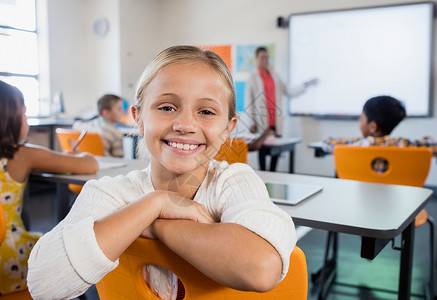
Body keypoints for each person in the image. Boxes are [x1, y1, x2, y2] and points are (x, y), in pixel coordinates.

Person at [27, 45, 297, 299]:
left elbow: (260, 268)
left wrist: (154, 223)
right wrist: (156, 202)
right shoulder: (111, 192)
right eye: (167, 107)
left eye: (206, 111)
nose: (185, 124)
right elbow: (43, 284)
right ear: (139, 118)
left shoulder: (234, 182)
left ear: (228, 129)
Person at [0, 80, 98, 296]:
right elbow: (90, 164)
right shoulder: (21, 155)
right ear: (10, 120)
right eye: (24, 115)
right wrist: (76, 156)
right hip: (10, 263)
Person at [322, 95, 437, 158]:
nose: (359, 122)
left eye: (361, 118)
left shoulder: (356, 145)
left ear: (373, 127)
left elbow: (327, 143)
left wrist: (356, 140)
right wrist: (426, 140)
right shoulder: (404, 145)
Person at [245, 46, 318, 138]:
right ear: (257, 59)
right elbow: (249, 102)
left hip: (276, 123)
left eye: (267, 57)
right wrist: (251, 123)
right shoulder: (253, 77)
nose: (265, 60)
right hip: (261, 124)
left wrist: (306, 84)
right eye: (262, 57)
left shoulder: (275, 76)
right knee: (263, 151)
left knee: (277, 150)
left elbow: (289, 91)